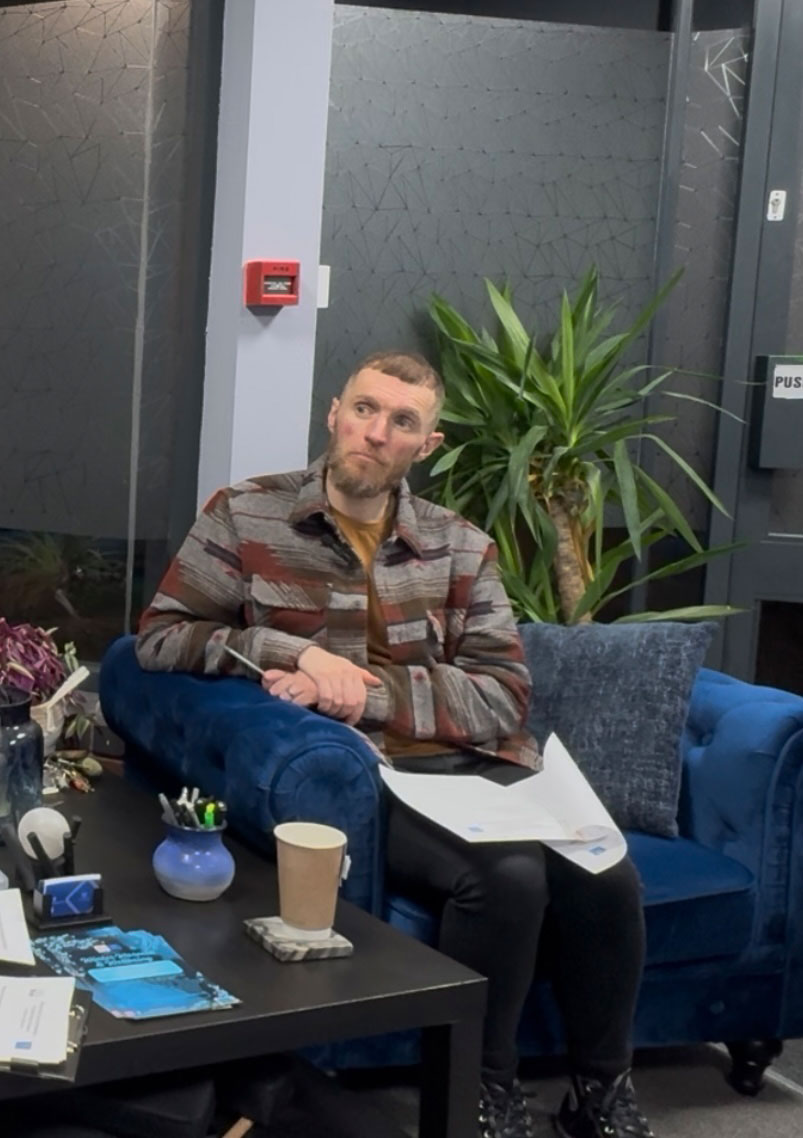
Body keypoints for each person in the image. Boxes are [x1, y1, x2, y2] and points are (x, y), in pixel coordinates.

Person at [133, 351, 652, 1138]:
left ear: (426, 444)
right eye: (364, 411)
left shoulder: (458, 545)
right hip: (370, 774)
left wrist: (369, 687)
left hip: (475, 765)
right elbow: (161, 638)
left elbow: (502, 692)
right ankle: (485, 1089)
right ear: (333, 414)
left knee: (607, 875)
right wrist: (292, 653)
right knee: (506, 880)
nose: (376, 434)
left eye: (400, 422)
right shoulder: (246, 515)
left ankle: (600, 1092)